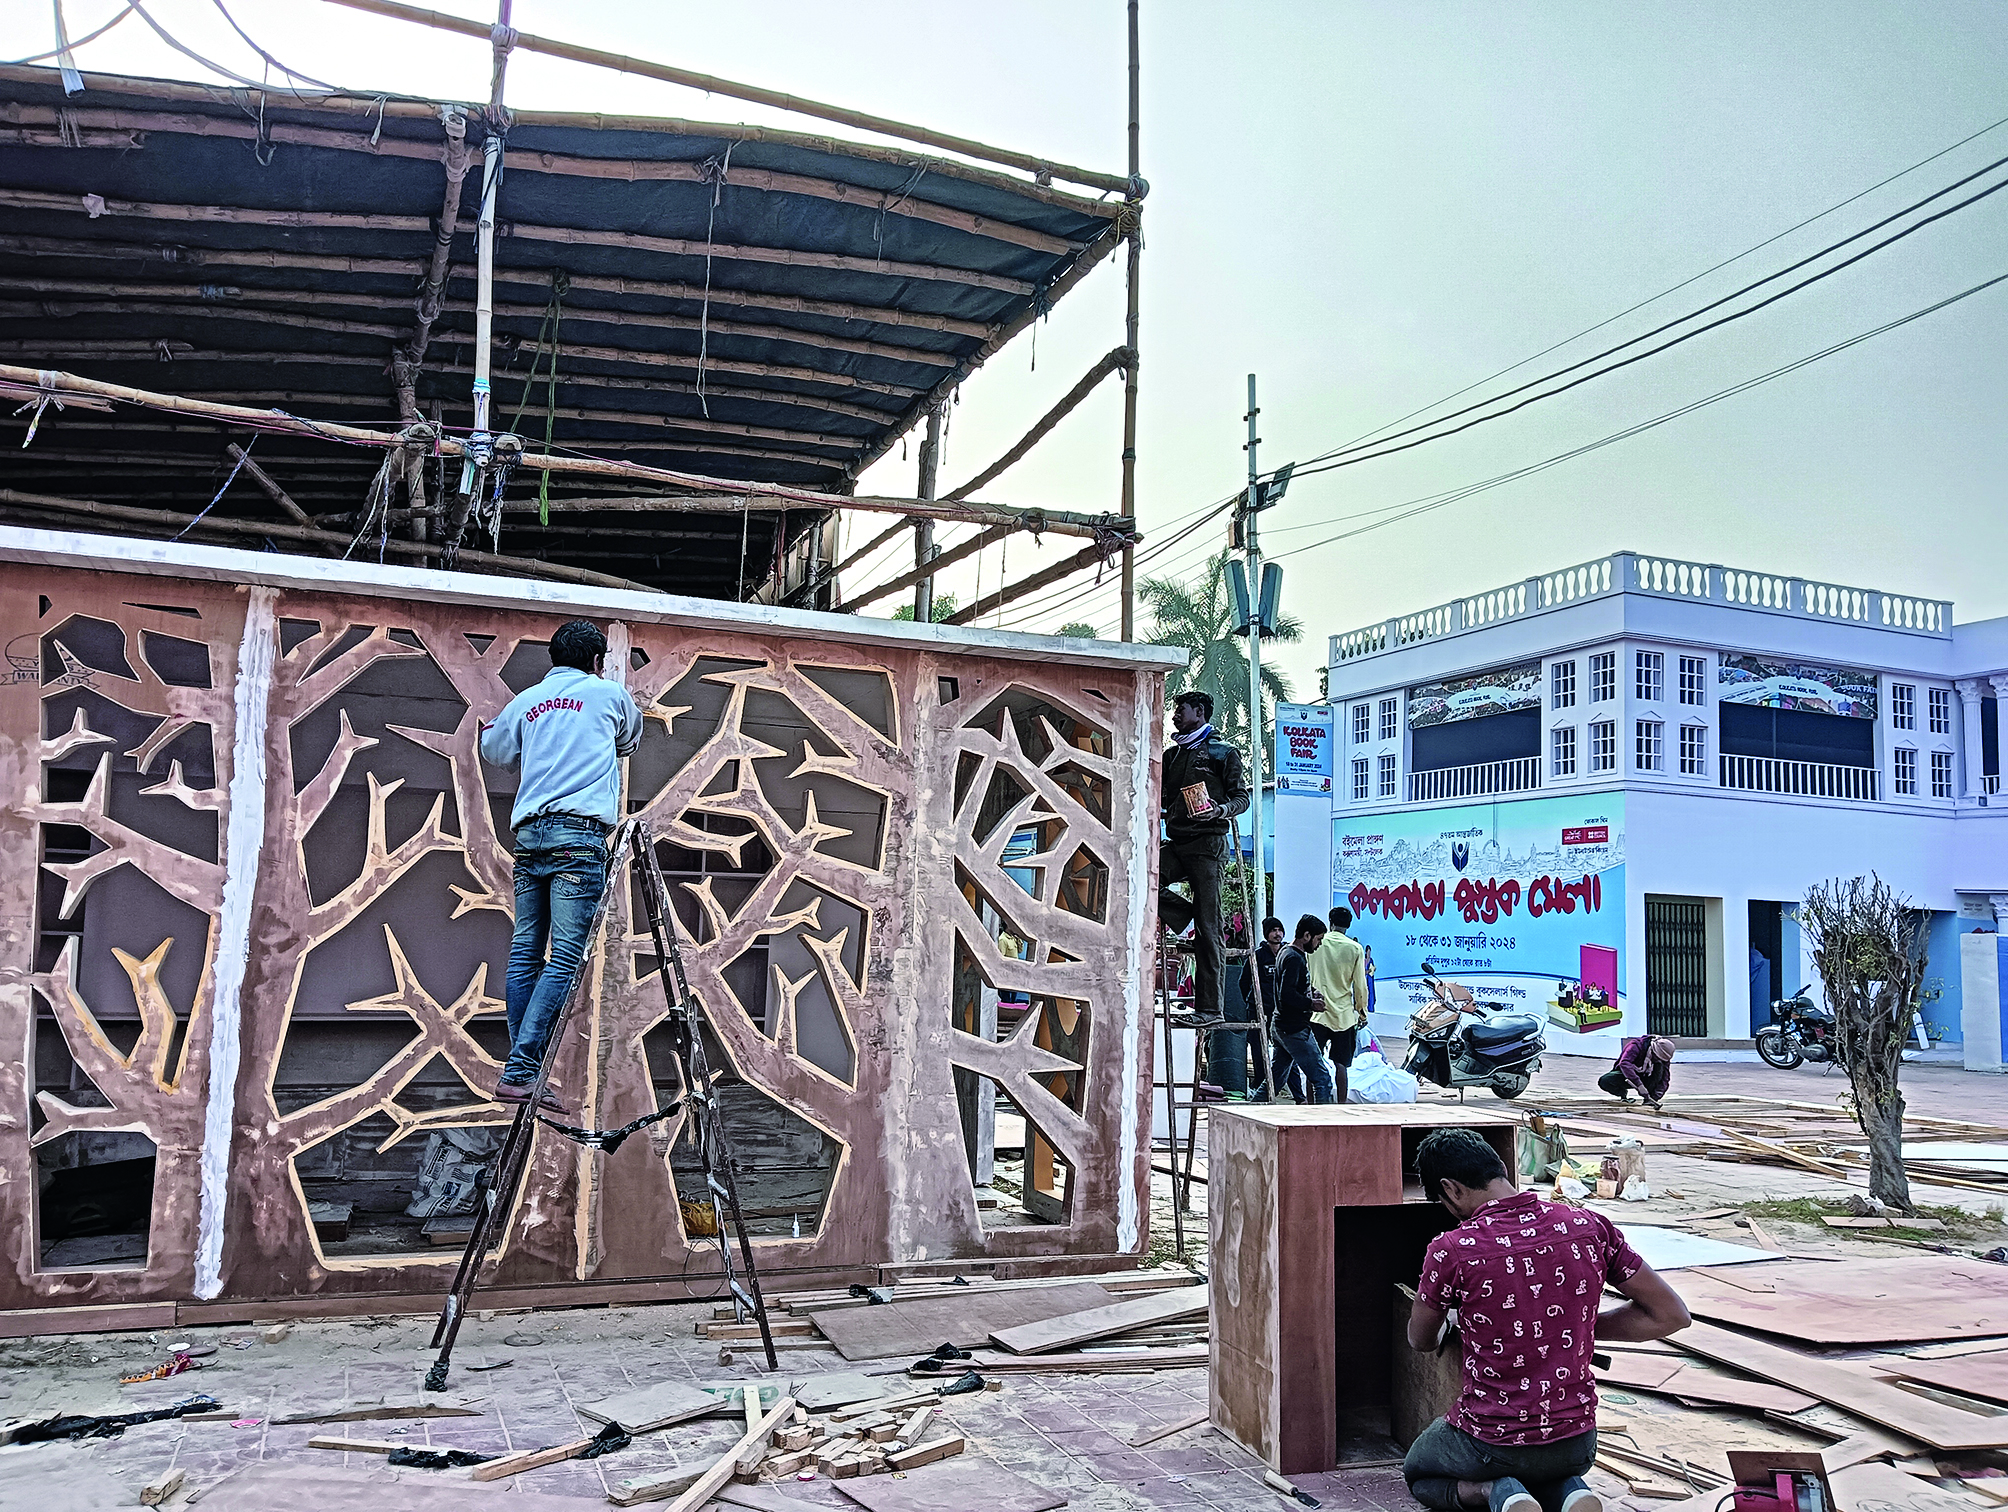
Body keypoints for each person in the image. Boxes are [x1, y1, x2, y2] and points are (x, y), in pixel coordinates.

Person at [1403, 1128, 1690, 1512]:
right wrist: (1570, 1329)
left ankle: (1498, 1494)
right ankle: (1569, 1490)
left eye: (1443, 1200)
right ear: (1501, 1169)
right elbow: (1671, 1315)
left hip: (1491, 1442)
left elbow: (1420, 1340)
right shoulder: (1589, 1226)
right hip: (1577, 1442)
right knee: (1549, 1465)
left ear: (1451, 1189)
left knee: (1420, 1473)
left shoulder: (1452, 1250)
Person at [479, 619, 643, 1114]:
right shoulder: (608, 694)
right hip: (579, 840)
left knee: (526, 951)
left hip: (529, 839)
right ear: (597, 661)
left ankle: (521, 1071)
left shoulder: (526, 702)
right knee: (566, 958)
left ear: (553, 660)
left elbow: (495, 752)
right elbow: (629, 740)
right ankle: (522, 1071)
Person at [1159, 690, 1249, 1025]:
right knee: (1145, 878)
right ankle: (1188, 917)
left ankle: (1210, 1010)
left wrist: (1220, 810)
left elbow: (1242, 798)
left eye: (1180, 709)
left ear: (1200, 711)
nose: (1175, 715)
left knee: (1211, 931)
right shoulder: (1171, 756)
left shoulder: (1223, 753)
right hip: (1178, 842)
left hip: (1209, 845)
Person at [1272, 914, 1338, 1104]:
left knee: (1275, 1081)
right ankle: (1322, 1127)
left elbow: (1293, 987)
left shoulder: (1288, 953)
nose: (1318, 945)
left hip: (1283, 1026)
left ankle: (1250, 1113)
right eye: (1318, 939)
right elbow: (1287, 994)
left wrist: (1311, 992)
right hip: (1294, 1028)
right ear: (1307, 936)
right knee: (1322, 1080)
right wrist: (1311, 1004)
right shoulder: (1294, 958)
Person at [1309, 905, 1371, 1104]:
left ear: (1330, 922)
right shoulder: (1355, 948)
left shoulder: (1317, 943)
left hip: (1316, 1013)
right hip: (1344, 1016)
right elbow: (1360, 986)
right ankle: (1340, 1107)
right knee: (1341, 1065)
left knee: (1313, 1063)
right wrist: (1362, 1013)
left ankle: (1311, 1107)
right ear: (1349, 925)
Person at [1231, 916, 1285, 1101]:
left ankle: (1282, 1087)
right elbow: (1243, 982)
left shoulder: (1287, 954)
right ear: (1267, 934)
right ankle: (1262, 1085)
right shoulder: (1257, 955)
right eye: (1273, 930)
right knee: (1258, 1049)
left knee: (1284, 1050)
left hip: (1282, 1012)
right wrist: (1252, 1001)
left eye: (1279, 930)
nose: (1277, 934)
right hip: (1259, 1011)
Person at [1597, 1036, 1675, 1109]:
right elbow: (1624, 1064)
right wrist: (1639, 1085)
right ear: (1653, 1051)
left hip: (1647, 1077)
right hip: (1627, 1075)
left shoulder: (1663, 1057)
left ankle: (1649, 1100)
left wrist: (1656, 1096)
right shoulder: (1635, 1046)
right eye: (1656, 1058)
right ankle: (1623, 1094)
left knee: (1659, 1068)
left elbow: (1665, 1078)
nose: (1657, 1060)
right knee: (1605, 1081)